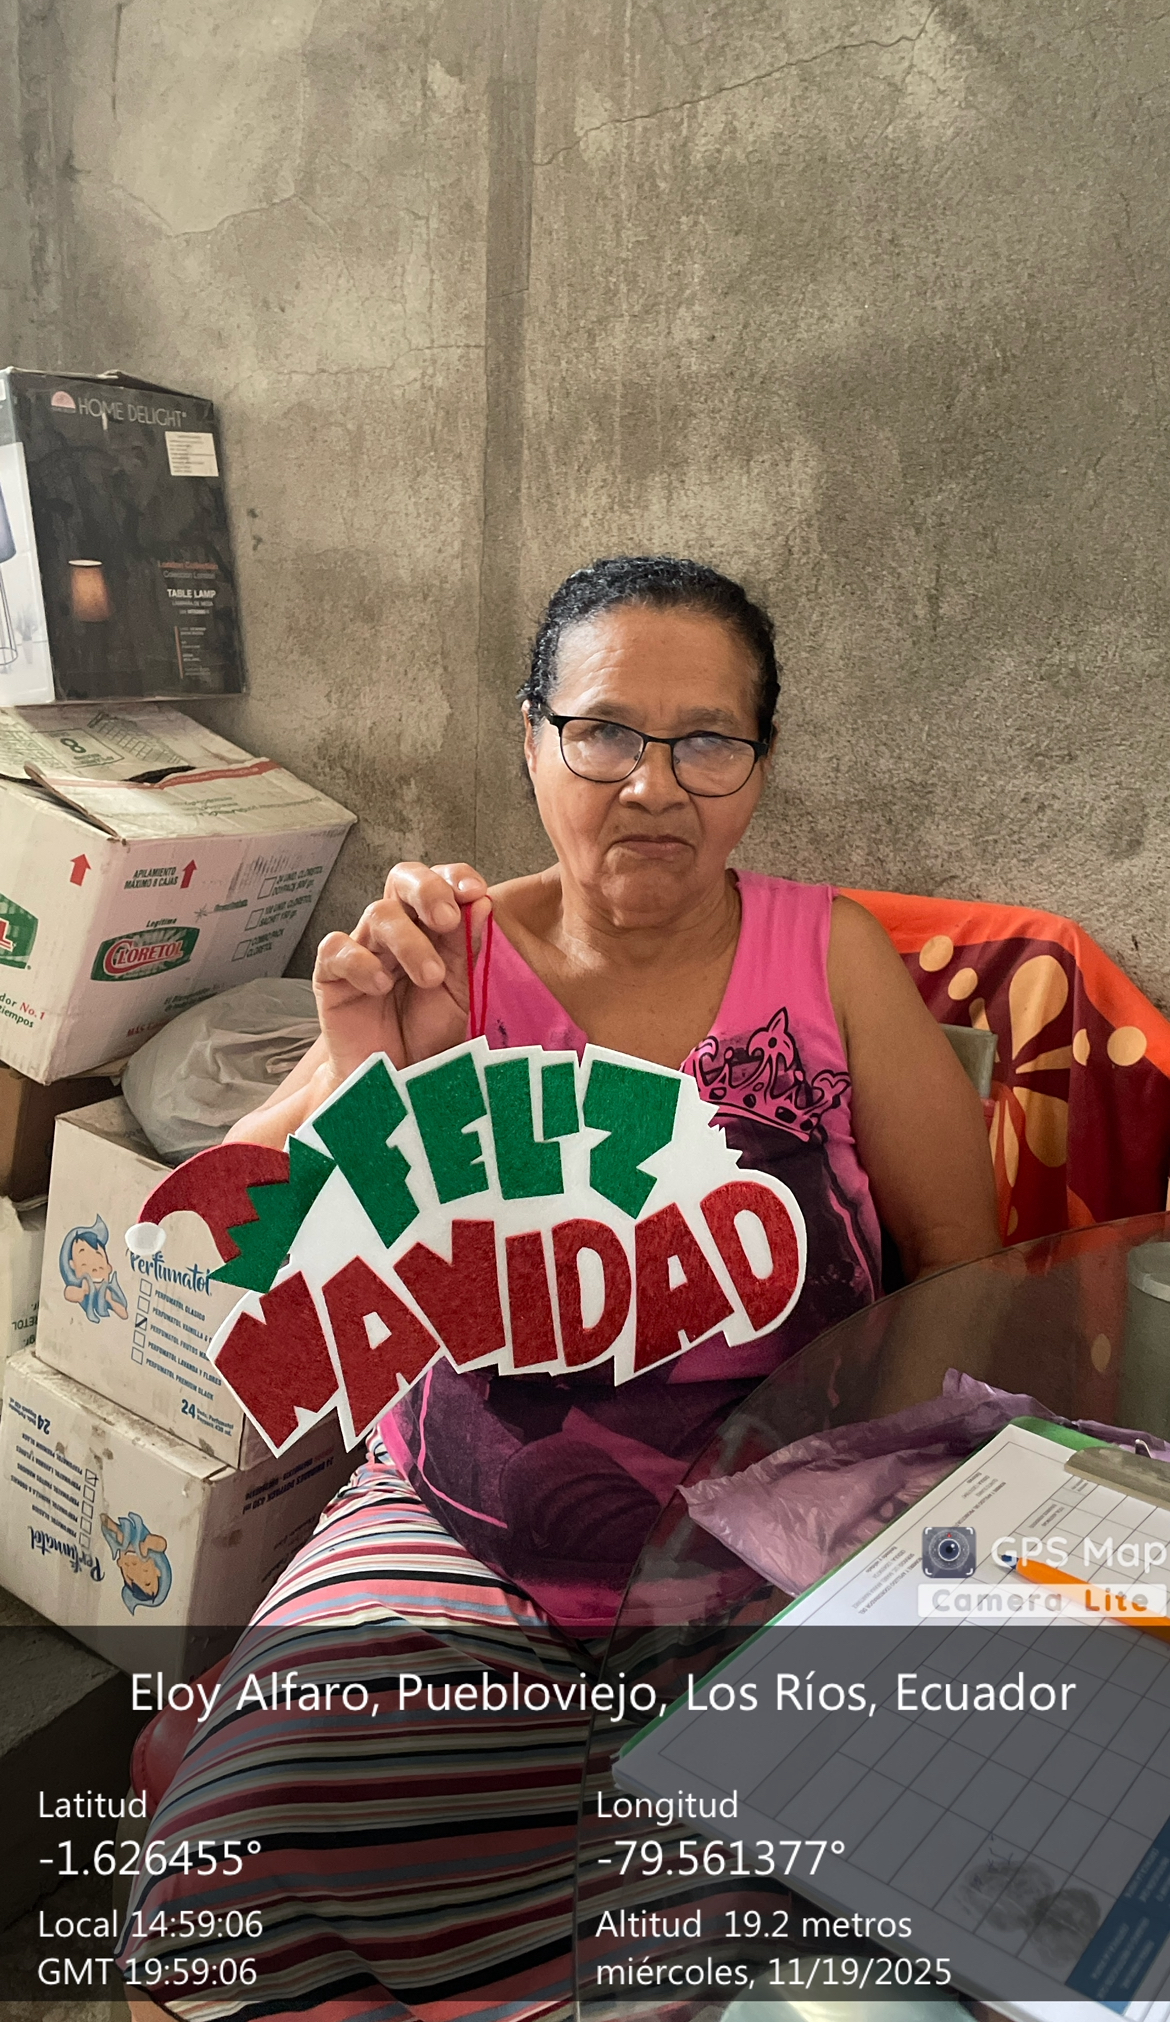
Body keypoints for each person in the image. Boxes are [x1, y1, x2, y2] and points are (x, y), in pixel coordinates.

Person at [120, 555, 999, 2021]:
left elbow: (959, 1256)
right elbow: (217, 1247)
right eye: (603, 733)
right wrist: (358, 1068)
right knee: (214, 1895)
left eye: (706, 740)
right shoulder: (444, 962)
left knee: (776, 1932)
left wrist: (869, 1526)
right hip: (460, 1533)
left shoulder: (828, 957)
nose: (653, 786)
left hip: (773, 1552)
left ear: (760, 761)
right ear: (531, 740)